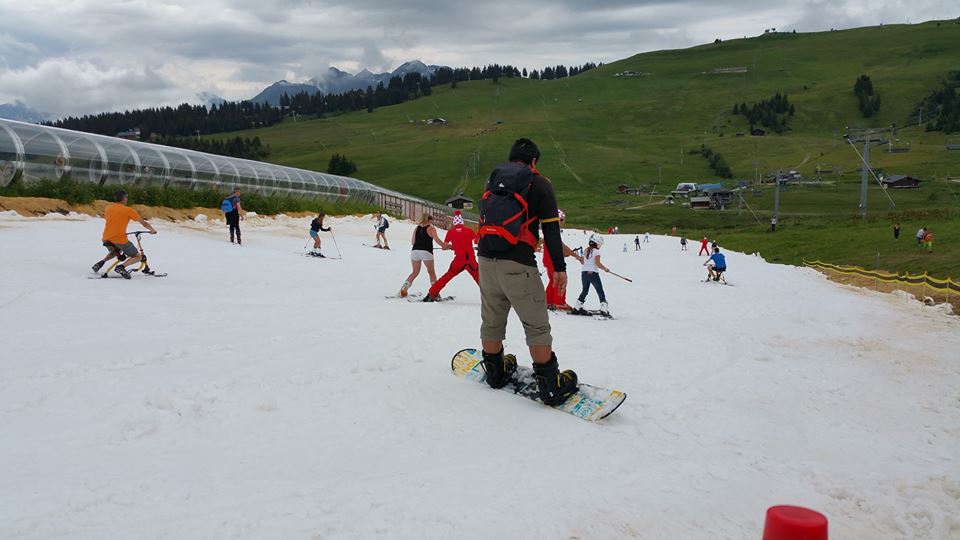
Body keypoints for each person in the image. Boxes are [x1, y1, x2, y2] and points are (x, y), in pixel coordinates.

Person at [477, 137, 577, 406]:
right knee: (536, 325)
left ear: (511, 159)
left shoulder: (494, 179)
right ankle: (550, 386)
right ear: (534, 161)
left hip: (485, 260)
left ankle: (495, 373)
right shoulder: (540, 183)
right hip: (518, 263)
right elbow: (551, 230)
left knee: (492, 320)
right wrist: (560, 267)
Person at [92, 189, 157, 278]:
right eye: (126, 197)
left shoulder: (108, 208)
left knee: (116, 251)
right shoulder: (128, 210)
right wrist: (152, 230)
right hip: (119, 239)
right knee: (138, 256)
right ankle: (121, 267)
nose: (127, 199)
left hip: (106, 237)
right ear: (124, 199)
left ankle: (100, 263)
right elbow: (143, 223)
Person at [425, 211, 477, 301]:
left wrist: (452, 247)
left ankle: (432, 294)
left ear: (454, 223)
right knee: (481, 279)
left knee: (446, 277)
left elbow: (444, 247)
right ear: (462, 222)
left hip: (459, 261)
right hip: (471, 260)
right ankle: (493, 297)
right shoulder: (469, 231)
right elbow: (477, 241)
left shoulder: (451, 232)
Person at [398, 213, 449, 297]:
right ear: (429, 220)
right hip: (426, 252)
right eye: (431, 220)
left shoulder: (417, 228)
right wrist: (444, 246)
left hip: (415, 252)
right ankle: (435, 292)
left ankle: (404, 288)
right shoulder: (431, 228)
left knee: (414, 272)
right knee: (431, 272)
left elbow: (413, 242)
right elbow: (437, 240)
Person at [543, 209, 583, 311]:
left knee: (553, 281)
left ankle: (548, 301)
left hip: (549, 260)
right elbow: (562, 246)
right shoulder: (553, 232)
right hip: (552, 261)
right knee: (560, 280)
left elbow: (556, 248)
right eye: (561, 220)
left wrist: (564, 254)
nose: (563, 222)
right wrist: (576, 256)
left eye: (563, 220)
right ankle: (559, 303)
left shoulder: (550, 230)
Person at [572, 233, 611, 317]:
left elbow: (583, 262)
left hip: (584, 273)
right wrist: (605, 269)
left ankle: (577, 307)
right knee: (600, 290)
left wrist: (579, 259)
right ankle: (604, 309)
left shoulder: (586, 250)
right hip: (593, 273)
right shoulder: (597, 251)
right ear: (597, 243)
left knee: (585, 290)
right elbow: (597, 264)